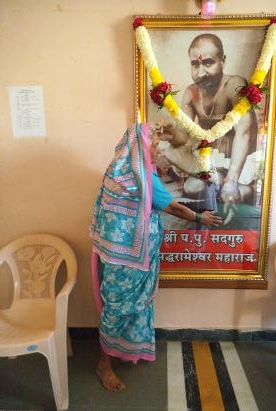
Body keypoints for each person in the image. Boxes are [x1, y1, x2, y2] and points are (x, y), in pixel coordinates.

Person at [89, 123, 222, 392]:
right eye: (153, 144)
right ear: (140, 147)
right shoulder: (144, 178)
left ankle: (125, 352)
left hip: (112, 254)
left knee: (118, 307)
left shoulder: (116, 169)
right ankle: (104, 364)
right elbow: (172, 206)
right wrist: (199, 217)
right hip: (131, 260)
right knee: (118, 310)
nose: (157, 148)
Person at [159, 33, 258, 210]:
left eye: (208, 62)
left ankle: (245, 189)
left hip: (238, 162)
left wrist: (232, 180)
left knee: (206, 187)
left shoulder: (233, 85)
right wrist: (171, 134)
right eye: (195, 64)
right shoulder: (191, 92)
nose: (201, 72)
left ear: (223, 61)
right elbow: (183, 137)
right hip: (210, 162)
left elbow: (244, 133)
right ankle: (221, 187)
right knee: (191, 185)